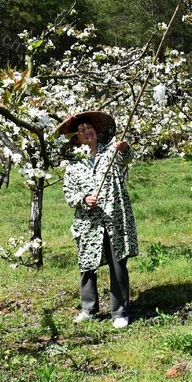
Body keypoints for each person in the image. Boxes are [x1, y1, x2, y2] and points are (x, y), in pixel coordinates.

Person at [59, 110, 138, 329]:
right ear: (76, 138)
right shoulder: (73, 164)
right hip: (88, 222)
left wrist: (125, 149)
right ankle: (89, 310)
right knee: (87, 264)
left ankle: (119, 312)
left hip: (114, 217)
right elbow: (69, 194)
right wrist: (84, 199)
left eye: (89, 127)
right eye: (81, 130)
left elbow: (127, 159)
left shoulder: (111, 152)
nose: (87, 132)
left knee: (118, 263)